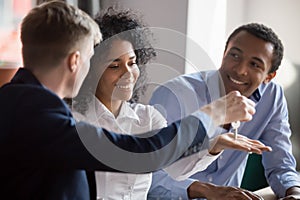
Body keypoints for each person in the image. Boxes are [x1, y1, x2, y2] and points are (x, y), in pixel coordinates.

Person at [0, 1, 261, 200]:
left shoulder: (22, 101)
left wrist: (211, 143)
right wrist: (212, 114)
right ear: (76, 61)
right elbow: (136, 153)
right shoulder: (39, 112)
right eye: (95, 58)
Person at [72, 8, 271, 200]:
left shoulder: (148, 117)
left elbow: (174, 168)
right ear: (90, 70)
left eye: (132, 63)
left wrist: (213, 146)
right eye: (114, 65)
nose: (128, 73)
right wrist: (214, 114)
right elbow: (140, 152)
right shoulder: (75, 121)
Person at [149, 23, 300, 199]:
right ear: (224, 54)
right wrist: (208, 190)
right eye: (235, 55)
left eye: (255, 64)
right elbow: (148, 176)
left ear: (269, 76)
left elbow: (280, 164)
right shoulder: (174, 95)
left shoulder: (272, 96)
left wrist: (294, 193)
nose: (240, 70)